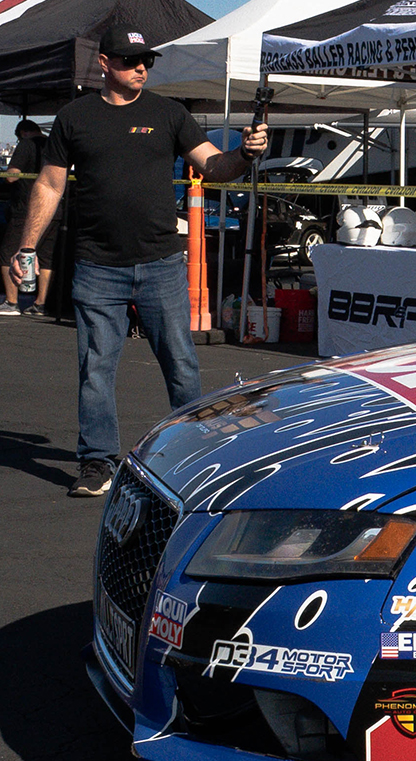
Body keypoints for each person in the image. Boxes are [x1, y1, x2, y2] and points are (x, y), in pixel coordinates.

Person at [6, 24, 269, 497]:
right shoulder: (73, 117)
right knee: (95, 370)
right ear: (105, 63)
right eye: (130, 60)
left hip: (162, 264)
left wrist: (245, 156)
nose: (141, 67)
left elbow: (215, 166)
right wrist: (26, 247)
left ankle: (199, 456)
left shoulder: (169, 113)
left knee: (182, 366)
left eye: (146, 60)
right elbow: (49, 184)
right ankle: (97, 462)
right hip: (96, 266)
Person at [1, 120, 56, 316]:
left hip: (27, 208)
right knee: (47, 257)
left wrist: (8, 172)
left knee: (8, 252)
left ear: (23, 132)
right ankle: (40, 304)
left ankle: (12, 301)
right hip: (55, 208)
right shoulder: (52, 142)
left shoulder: (27, 144)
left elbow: (12, 176)